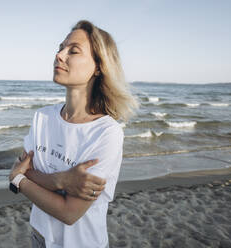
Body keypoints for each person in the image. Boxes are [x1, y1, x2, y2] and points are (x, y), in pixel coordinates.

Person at [9, 20, 138, 248]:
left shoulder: (106, 133)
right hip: (39, 236)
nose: (59, 55)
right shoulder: (42, 118)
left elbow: (69, 212)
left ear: (99, 66)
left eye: (73, 51)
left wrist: (17, 179)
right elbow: (27, 170)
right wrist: (62, 180)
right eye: (60, 48)